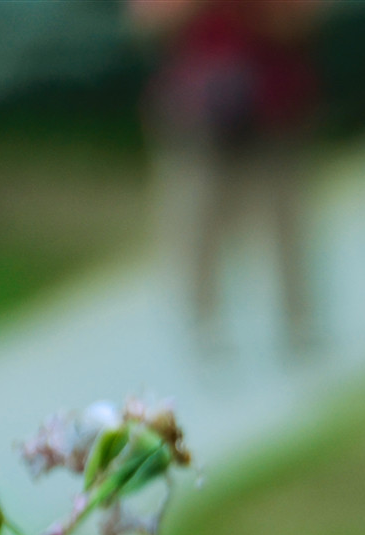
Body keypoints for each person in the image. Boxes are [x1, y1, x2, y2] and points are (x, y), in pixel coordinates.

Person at [132, 0, 322, 355]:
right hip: (196, 108)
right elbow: (147, 21)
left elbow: (301, 19)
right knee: (195, 223)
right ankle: (202, 329)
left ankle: (298, 324)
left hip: (272, 100)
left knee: (284, 220)